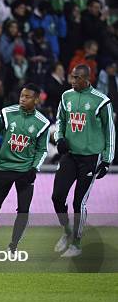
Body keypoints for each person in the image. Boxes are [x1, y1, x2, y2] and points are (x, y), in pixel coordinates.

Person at [0, 84, 50, 253]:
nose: (22, 99)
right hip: (3, 168)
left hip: (25, 172)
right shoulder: (6, 113)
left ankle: (13, 246)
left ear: (36, 100)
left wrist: (34, 168)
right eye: (22, 95)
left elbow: (42, 150)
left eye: (27, 96)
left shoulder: (43, 123)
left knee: (23, 210)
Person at [51, 64, 115, 257]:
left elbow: (110, 131)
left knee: (79, 202)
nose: (72, 81)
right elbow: (60, 120)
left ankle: (76, 245)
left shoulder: (102, 101)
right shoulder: (66, 96)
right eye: (71, 77)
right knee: (57, 196)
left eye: (76, 78)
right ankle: (67, 231)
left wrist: (106, 160)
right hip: (70, 155)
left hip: (90, 158)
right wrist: (60, 138)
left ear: (87, 79)